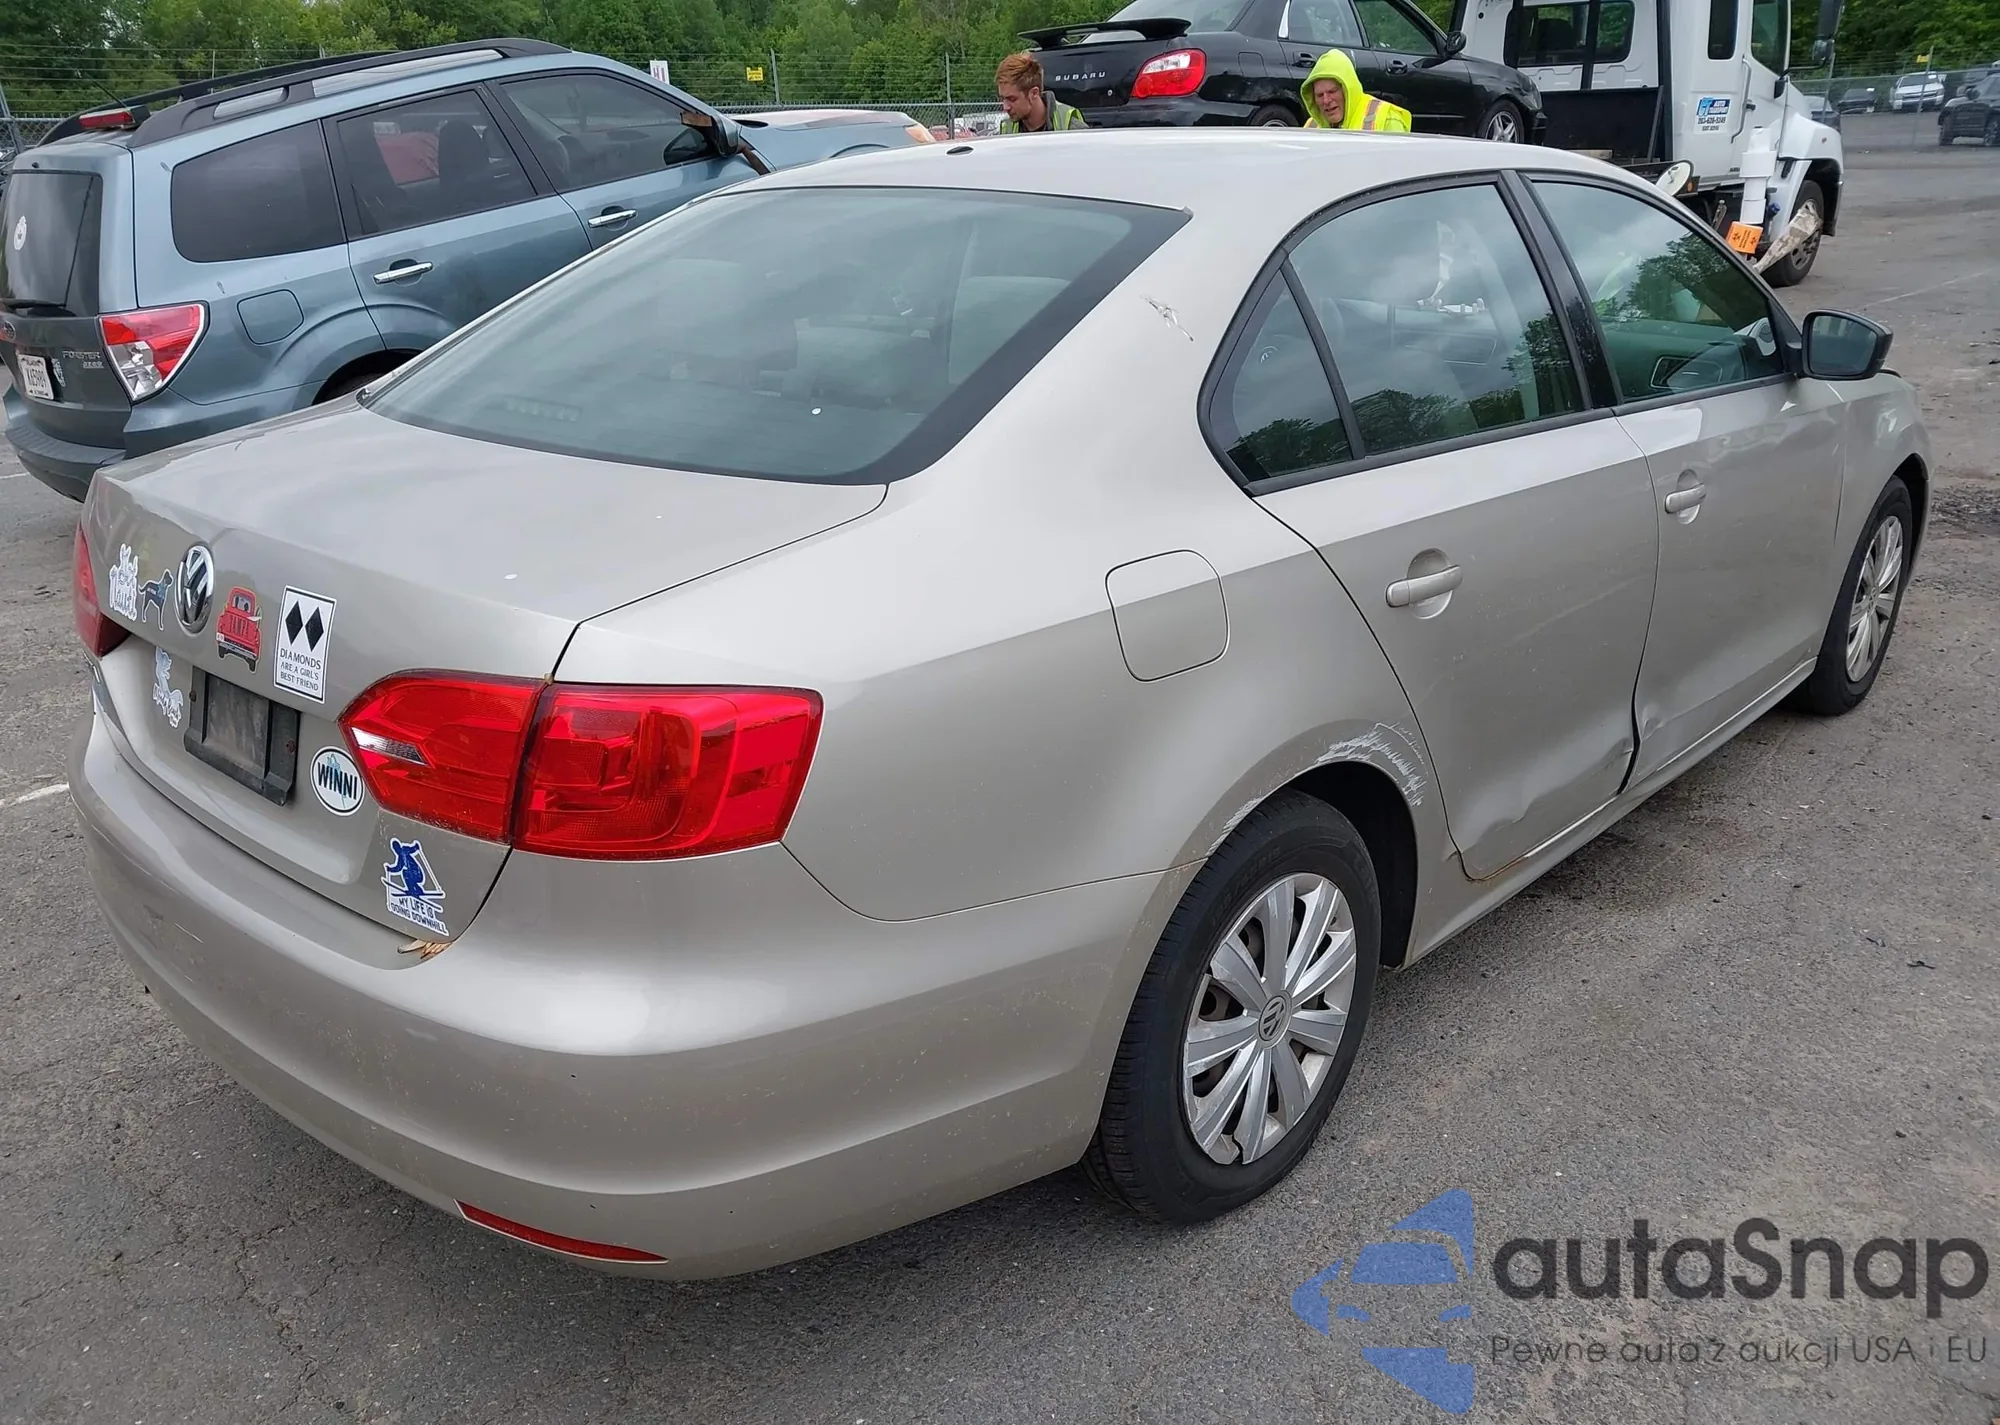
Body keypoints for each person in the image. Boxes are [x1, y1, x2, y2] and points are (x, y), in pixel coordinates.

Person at [1300, 50, 1412, 132]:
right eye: (1319, 95)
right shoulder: (1311, 127)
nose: (1326, 100)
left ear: (1348, 89)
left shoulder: (1387, 118)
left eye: (1332, 92)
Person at [996, 53, 1087, 134]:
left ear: (1034, 93)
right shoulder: (1006, 130)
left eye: (1012, 99)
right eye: (1002, 99)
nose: (1005, 107)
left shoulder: (1071, 128)